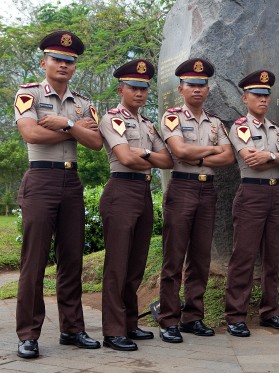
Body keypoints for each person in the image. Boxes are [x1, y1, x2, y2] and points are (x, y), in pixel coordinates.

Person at [13, 30, 103, 359]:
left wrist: (65, 124)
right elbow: (31, 133)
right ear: (44, 62)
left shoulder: (82, 103)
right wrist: (76, 129)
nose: (64, 65)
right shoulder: (30, 94)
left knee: (71, 259)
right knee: (33, 261)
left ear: (75, 67)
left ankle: (73, 328)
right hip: (40, 180)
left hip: (71, 183)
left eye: (70, 61)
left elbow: (96, 143)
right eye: (57, 59)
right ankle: (28, 334)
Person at [157, 58, 235, 343]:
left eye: (202, 85)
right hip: (182, 189)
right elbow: (179, 151)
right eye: (191, 85)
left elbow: (229, 156)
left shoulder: (215, 121)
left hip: (207, 190)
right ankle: (168, 319)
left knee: (200, 258)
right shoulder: (172, 117)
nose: (197, 90)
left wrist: (196, 153)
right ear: (181, 89)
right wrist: (208, 152)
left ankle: (193, 317)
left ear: (208, 88)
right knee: (174, 258)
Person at [98, 59, 173, 351]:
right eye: (133, 88)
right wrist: (146, 154)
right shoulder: (111, 118)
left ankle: (130, 322)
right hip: (120, 190)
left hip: (142, 192)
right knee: (117, 265)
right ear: (121, 89)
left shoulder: (148, 124)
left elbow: (167, 160)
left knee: (135, 264)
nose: (140, 93)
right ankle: (113, 331)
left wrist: (139, 151)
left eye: (143, 88)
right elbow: (126, 159)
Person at [225, 70, 279, 338]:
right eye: (257, 95)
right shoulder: (240, 127)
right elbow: (249, 158)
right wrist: (276, 156)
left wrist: (268, 154)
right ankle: (235, 316)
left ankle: (270, 312)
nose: (263, 99)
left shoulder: (277, 129)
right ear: (245, 98)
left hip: (273, 194)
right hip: (251, 195)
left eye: (266, 95)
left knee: (272, 257)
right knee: (243, 256)